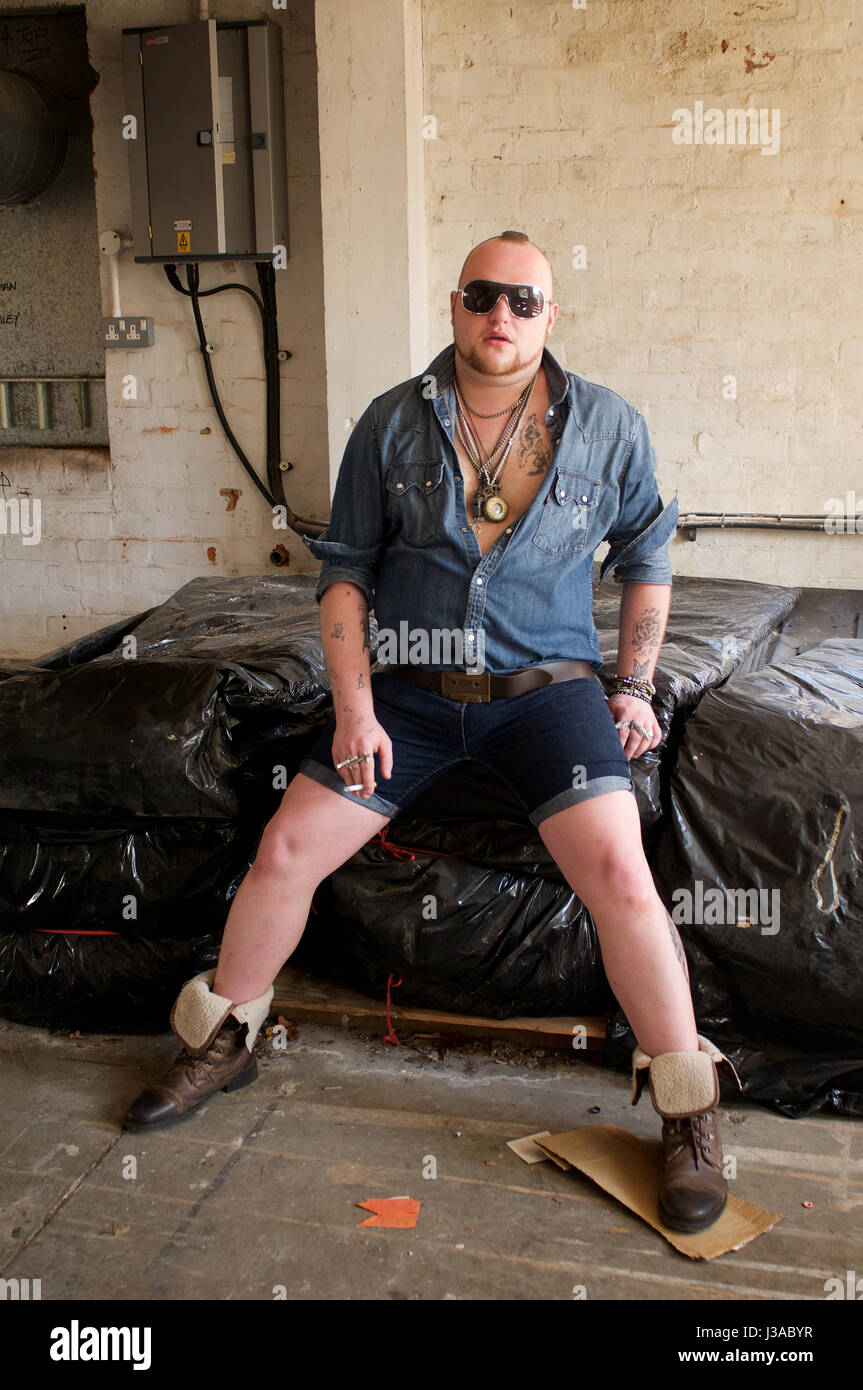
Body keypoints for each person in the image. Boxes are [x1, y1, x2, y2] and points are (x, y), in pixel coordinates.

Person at [124, 230, 740, 1234]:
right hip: (406, 695)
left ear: (550, 315)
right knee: (285, 846)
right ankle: (222, 1037)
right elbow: (344, 573)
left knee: (622, 875)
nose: (504, 316)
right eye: (484, 296)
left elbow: (647, 557)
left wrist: (632, 686)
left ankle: (687, 1108)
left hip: (547, 695)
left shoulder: (605, 428)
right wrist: (356, 708)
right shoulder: (388, 426)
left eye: (525, 301)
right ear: (456, 304)